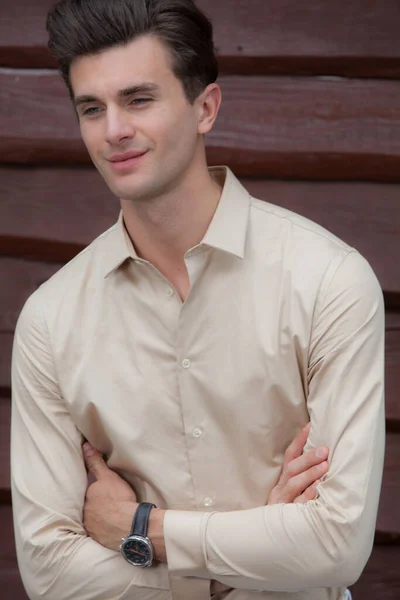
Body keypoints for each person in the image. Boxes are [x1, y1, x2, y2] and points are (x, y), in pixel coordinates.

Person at [10, 1, 385, 599]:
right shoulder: (50, 320)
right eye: (91, 108)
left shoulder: (328, 280)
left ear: (204, 107)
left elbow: (334, 546)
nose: (113, 131)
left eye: (138, 99)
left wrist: (142, 531)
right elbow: (50, 573)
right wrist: (237, 573)